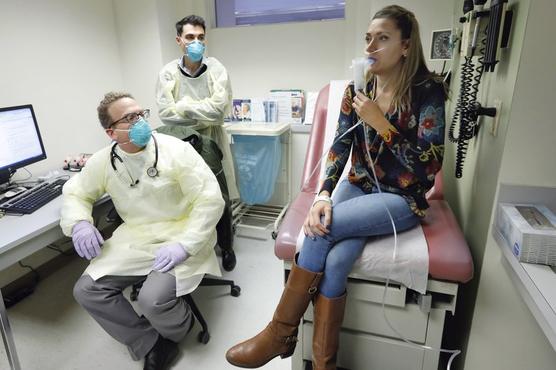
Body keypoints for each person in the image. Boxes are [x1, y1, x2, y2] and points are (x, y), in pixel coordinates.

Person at [226, 5, 447, 370]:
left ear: (406, 46)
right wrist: (324, 194)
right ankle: (324, 364)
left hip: (401, 197)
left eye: (383, 39)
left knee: (319, 234)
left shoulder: (428, 91)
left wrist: (380, 124)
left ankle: (279, 332)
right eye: (368, 38)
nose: (371, 47)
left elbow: (429, 164)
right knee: (337, 257)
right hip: (358, 185)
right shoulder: (357, 89)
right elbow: (340, 147)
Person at [60, 92, 224, 370]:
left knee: (152, 300)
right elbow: (76, 193)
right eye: (130, 118)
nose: (140, 121)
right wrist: (80, 223)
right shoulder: (103, 161)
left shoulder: (175, 150)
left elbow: (209, 199)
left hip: (184, 233)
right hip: (136, 237)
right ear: (112, 132)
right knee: (87, 290)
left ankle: (179, 329)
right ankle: (150, 342)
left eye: (141, 114)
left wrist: (186, 244)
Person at [156, 14, 237, 271]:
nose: (196, 42)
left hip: (211, 139)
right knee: (185, 194)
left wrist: (183, 106)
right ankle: (191, 245)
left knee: (219, 195)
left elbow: (218, 112)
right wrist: (200, 108)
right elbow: (165, 113)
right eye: (190, 37)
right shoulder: (168, 72)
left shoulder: (216, 69)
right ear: (179, 40)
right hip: (179, 142)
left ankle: (226, 246)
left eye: (201, 38)